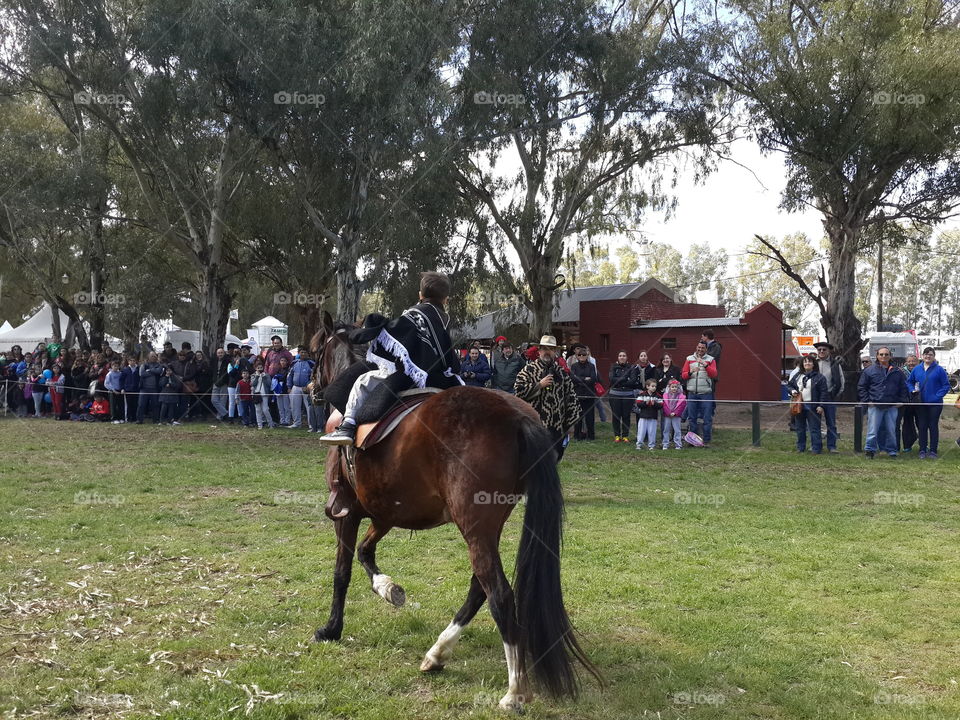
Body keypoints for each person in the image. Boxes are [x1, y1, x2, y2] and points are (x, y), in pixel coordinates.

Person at [320, 271, 463, 444]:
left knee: (364, 380)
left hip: (413, 378)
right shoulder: (444, 319)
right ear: (446, 299)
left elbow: (394, 333)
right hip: (444, 378)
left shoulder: (414, 314)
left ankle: (347, 427)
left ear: (420, 295)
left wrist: (375, 326)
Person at [514, 335, 582, 461]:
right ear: (539, 351)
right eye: (544, 349)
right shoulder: (528, 370)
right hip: (534, 426)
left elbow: (571, 398)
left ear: (555, 352)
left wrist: (571, 424)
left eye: (550, 349)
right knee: (534, 461)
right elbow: (518, 391)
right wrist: (539, 385)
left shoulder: (561, 373)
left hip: (557, 426)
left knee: (555, 459)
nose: (547, 352)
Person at [858, 346, 908, 459]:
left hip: (891, 405)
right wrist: (867, 401)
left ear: (890, 356)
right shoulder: (869, 371)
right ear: (877, 356)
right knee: (873, 430)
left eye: (886, 354)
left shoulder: (897, 371)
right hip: (875, 405)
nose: (883, 356)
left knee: (891, 430)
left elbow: (903, 387)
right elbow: (861, 387)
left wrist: (902, 401)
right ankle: (870, 450)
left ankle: (892, 451)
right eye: (881, 354)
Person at [908, 347, 950, 459]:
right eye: (926, 354)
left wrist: (937, 396)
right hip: (921, 403)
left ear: (934, 356)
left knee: (933, 426)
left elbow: (946, 385)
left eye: (930, 354)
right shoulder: (917, 369)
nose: (928, 356)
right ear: (922, 356)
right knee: (922, 426)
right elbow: (909, 382)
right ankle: (922, 450)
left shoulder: (939, 370)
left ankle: (933, 451)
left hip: (935, 404)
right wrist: (912, 390)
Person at [789, 354, 828, 454]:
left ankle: (816, 448)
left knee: (814, 428)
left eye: (809, 361)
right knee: (800, 428)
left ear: (814, 364)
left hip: (813, 406)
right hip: (799, 405)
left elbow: (824, 393)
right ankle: (800, 448)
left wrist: (821, 405)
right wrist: (792, 391)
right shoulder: (798, 376)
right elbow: (789, 385)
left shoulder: (820, 377)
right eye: (805, 361)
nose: (807, 363)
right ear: (802, 364)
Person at [681, 341, 718, 447]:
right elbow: (683, 375)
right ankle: (693, 440)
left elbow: (714, 374)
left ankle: (706, 441)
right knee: (692, 418)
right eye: (699, 347)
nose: (700, 349)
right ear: (696, 347)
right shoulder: (689, 359)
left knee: (707, 418)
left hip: (706, 393)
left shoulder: (710, 359)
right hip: (692, 393)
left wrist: (704, 364)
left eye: (703, 348)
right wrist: (691, 372)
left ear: (706, 349)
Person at [813, 342, 845, 453]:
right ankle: (816, 446)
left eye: (824, 349)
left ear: (829, 351)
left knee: (831, 423)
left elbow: (841, 381)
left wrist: (834, 396)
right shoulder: (812, 362)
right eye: (819, 349)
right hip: (815, 398)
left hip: (829, 397)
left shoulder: (835, 364)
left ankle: (832, 446)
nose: (821, 351)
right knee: (815, 423)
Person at [569, 347, 599, 440]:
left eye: (584, 355)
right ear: (577, 356)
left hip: (589, 394)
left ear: (587, 356)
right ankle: (577, 436)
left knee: (590, 417)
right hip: (578, 394)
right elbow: (573, 378)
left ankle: (591, 436)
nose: (581, 356)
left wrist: (579, 380)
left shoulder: (591, 366)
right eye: (579, 355)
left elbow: (593, 378)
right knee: (578, 417)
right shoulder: (574, 366)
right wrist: (584, 379)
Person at [608, 350, 635, 443]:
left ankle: (625, 436)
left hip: (628, 395)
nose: (622, 357)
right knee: (616, 415)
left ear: (626, 357)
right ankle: (617, 435)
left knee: (626, 416)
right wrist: (625, 378)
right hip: (614, 394)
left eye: (624, 355)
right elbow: (611, 379)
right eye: (620, 356)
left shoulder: (631, 367)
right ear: (618, 358)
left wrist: (618, 380)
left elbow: (633, 381)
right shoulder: (613, 367)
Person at [896, 354, 920, 453]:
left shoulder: (921, 370)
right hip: (906, 401)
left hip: (919, 401)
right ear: (906, 362)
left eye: (913, 361)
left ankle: (923, 444)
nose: (911, 363)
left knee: (921, 423)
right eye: (909, 361)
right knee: (907, 423)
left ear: (918, 362)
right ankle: (907, 445)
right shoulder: (901, 372)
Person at [286, 349, 316, 430]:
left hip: (307, 388)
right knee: (294, 406)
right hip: (295, 387)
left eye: (305, 352)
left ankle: (311, 424)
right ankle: (296, 423)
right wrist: (289, 386)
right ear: (299, 353)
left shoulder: (311, 364)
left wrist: (308, 386)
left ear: (308, 354)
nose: (303, 354)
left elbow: (314, 377)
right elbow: (290, 375)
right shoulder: (294, 363)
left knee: (309, 407)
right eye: (301, 352)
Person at [634, 378, 662, 450]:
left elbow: (661, 405)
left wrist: (654, 404)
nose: (654, 388)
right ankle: (639, 444)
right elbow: (638, 404)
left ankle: (651, 445)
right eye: (652, 386)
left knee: (652, 432)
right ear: (647, 386)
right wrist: (645, 403)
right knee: (641, 432)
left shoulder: (658, 396)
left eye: (655, 386)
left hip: (653, 417)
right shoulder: (642, 394)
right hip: (643, 416)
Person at [137, 352, 164, 424]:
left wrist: (150, 370)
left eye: (155, 356)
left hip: (155, 388)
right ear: (148, 357)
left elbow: (159, 371)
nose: (153, 357)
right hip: (144, 388)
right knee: (141, 405)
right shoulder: (144, 365)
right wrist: (153, 371)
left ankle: (155, 420)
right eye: (152, 356)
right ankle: (139, 420)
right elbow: (142, 374)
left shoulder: (159, 365)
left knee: (155, 405)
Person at [661, 379, 686, 450]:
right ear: (669, 387)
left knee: (677, 430)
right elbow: (664, 406)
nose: (674, 388)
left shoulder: (681, 396)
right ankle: (665, 444)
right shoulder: (665, 396)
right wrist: (668, 413)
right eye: (672, 387)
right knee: (666, 429)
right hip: (667, 415)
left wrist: (675, 413)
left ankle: (678, 444)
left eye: (676, 387)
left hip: (676, 416)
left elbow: (681, 406)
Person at [250, 360, 276, 429]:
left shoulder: (266, 375)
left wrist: (264, 377)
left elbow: (269, 384)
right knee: (258, 410)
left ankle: (271, 424)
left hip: (264, 394)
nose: (260, 369)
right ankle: (260, 425)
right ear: (255, 368)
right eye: (258, 368)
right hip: (256, 394)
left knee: (265, 410)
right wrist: (257, 376)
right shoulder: (253, 375)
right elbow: (253, 384)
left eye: (261, 367)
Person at [273, 355, 292, 426]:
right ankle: (282, 420)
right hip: (278, 390)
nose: (283, 362)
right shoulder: (278, 370)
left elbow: (286, 378)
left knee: (286, 407)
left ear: (287, 362)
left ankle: (287, 420)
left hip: (285, 390)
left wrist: (280, 378)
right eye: (281, 361)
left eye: (284, 361)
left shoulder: (289, 369)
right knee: (280, 407)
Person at [120, 355, 140, 423]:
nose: (132, 362)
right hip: (128, 390)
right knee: (128, 405)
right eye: (131, 361)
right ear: (128, 362)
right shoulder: (125, 370)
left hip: (136, 390)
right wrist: (122, 388)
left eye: (133, 360)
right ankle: (128, 418)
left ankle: (134, 418)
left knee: (135, 404)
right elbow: (121, 380)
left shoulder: (138, 369)